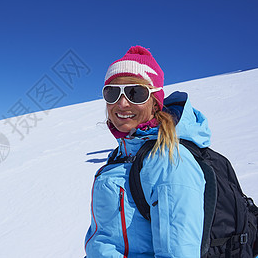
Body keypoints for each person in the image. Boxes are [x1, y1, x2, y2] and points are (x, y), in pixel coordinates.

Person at [84, 46, 209, 257]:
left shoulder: (170, 161)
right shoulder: (124, 153)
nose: (122, 103)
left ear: (155, 101)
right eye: (112, 92)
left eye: (136, 92)